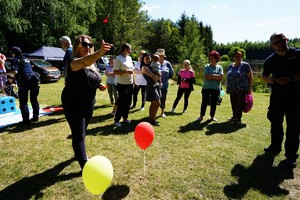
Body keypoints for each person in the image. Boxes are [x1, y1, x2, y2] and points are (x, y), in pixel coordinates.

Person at [61, 34, 112, 169]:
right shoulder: (74, 61)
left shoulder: (93, 64)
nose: (87, 47)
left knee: (82, 131)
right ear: (77, 45)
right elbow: (84, 62)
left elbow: (91, 77)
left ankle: (78, 152)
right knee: (79, 134)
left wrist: (98, 86)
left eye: (90, 45)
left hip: (88, 102)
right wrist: (101, 52)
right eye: (84, 44)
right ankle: (85, 165)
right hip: (73, 102)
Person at [262, 33, 300, 168]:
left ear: (286, 40)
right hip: (277, 97)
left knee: (294, 127)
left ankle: (290, 156)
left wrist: (290, 78)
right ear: (272, 46)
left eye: (281, 41)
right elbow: (264, 77)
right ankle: (275, 146)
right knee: (275, 122)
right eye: (276, 43)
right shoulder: (270, 60)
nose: (280, 44)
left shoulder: (297, 54)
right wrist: (271, 80)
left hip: (295, 97)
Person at [11, 46, 40, 124]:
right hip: (33, 79)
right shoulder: (26, 58)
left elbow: (15, 72)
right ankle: (36, 117)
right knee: (34, 99)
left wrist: (4, 73)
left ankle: (26, 120)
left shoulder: (15, 59)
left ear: (13, 53)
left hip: (24, 81)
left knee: (23, 101)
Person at [226, 48, 253, 124]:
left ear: (241, 57)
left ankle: (238, 118)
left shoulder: (245, 65)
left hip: (242, 88)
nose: (237, 57)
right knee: (233, 102)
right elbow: (228, 76)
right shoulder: (230, 66)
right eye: (236, 56)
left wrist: (249, 89)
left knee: (239, 103)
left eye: (239, 56)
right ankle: (234, 116)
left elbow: (250, 77)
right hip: (232, 88)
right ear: (233, 57)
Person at [197, 51, 223, 122]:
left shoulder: (220, 67)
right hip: (206, 88)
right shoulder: (207, 66)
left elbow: (221, 77)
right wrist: (216, 77)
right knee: (204, 102)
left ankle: (212, 117)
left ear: (216, 59)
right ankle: (201, 116)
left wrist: (211, 76)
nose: (211, 59)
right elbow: (206, 76)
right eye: (210, 58)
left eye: (213, 58)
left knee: (214, 103)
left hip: (216, 88)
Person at [113, 43, 134, 127]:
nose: (130, 51)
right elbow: (115, 72)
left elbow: (132, 70)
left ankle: (125, 118)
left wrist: (134, 81)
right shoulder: (118, 58)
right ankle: (116, 120)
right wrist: (126, 72)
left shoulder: (129, 58)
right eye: (129, 49)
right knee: (122, 102)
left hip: (130, 82)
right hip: (121, 83)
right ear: (125, 49)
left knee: (128, 102)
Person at [141, 52, 162, 126]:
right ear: (143, 59)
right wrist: (158, 76)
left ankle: (152, 119)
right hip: (151, 87)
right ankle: (152, 120)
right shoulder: (144, 67)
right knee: (156, 103)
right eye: (146, 58)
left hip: (155, 86)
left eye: (149, 58)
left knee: (155, 103)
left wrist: (158, 75)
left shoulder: (151, 66)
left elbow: (158, 74)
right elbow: (154, 76)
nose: (147, 60)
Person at [156, 49, 174, 118]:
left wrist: (167, 78)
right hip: (156, 85)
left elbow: (171, 72)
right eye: (159, 56)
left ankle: (162, 112)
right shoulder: (155, 63)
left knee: (163, 99)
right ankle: (154, 112)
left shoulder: (167, 63)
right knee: (156, 100)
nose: (161, 57)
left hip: (164, 85)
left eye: (162, 56)